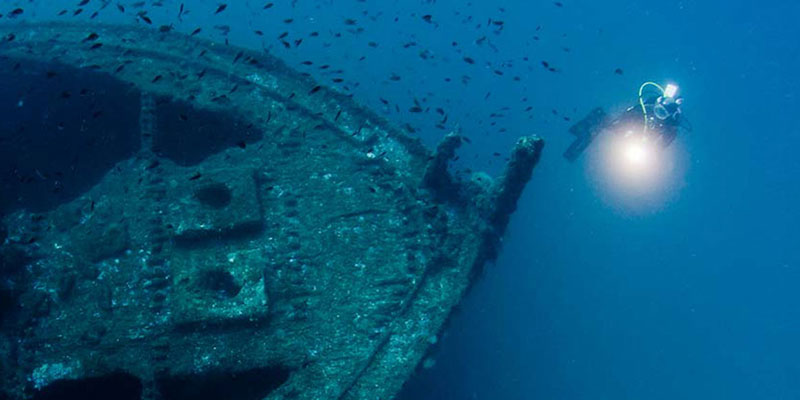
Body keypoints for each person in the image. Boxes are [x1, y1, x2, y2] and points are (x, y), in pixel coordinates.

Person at [563, 82, 686, 161]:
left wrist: (649, 149)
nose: (658, 114)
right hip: (631, 126)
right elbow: (628, 115)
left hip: (644, 140)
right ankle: (579, 132)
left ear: (669, 116)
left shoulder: (670, 127)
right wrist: (626, 129)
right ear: (656, 105)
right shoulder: (646, 107)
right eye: (658, 110)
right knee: (603, 120)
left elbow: (661, 145)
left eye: (663, 113)